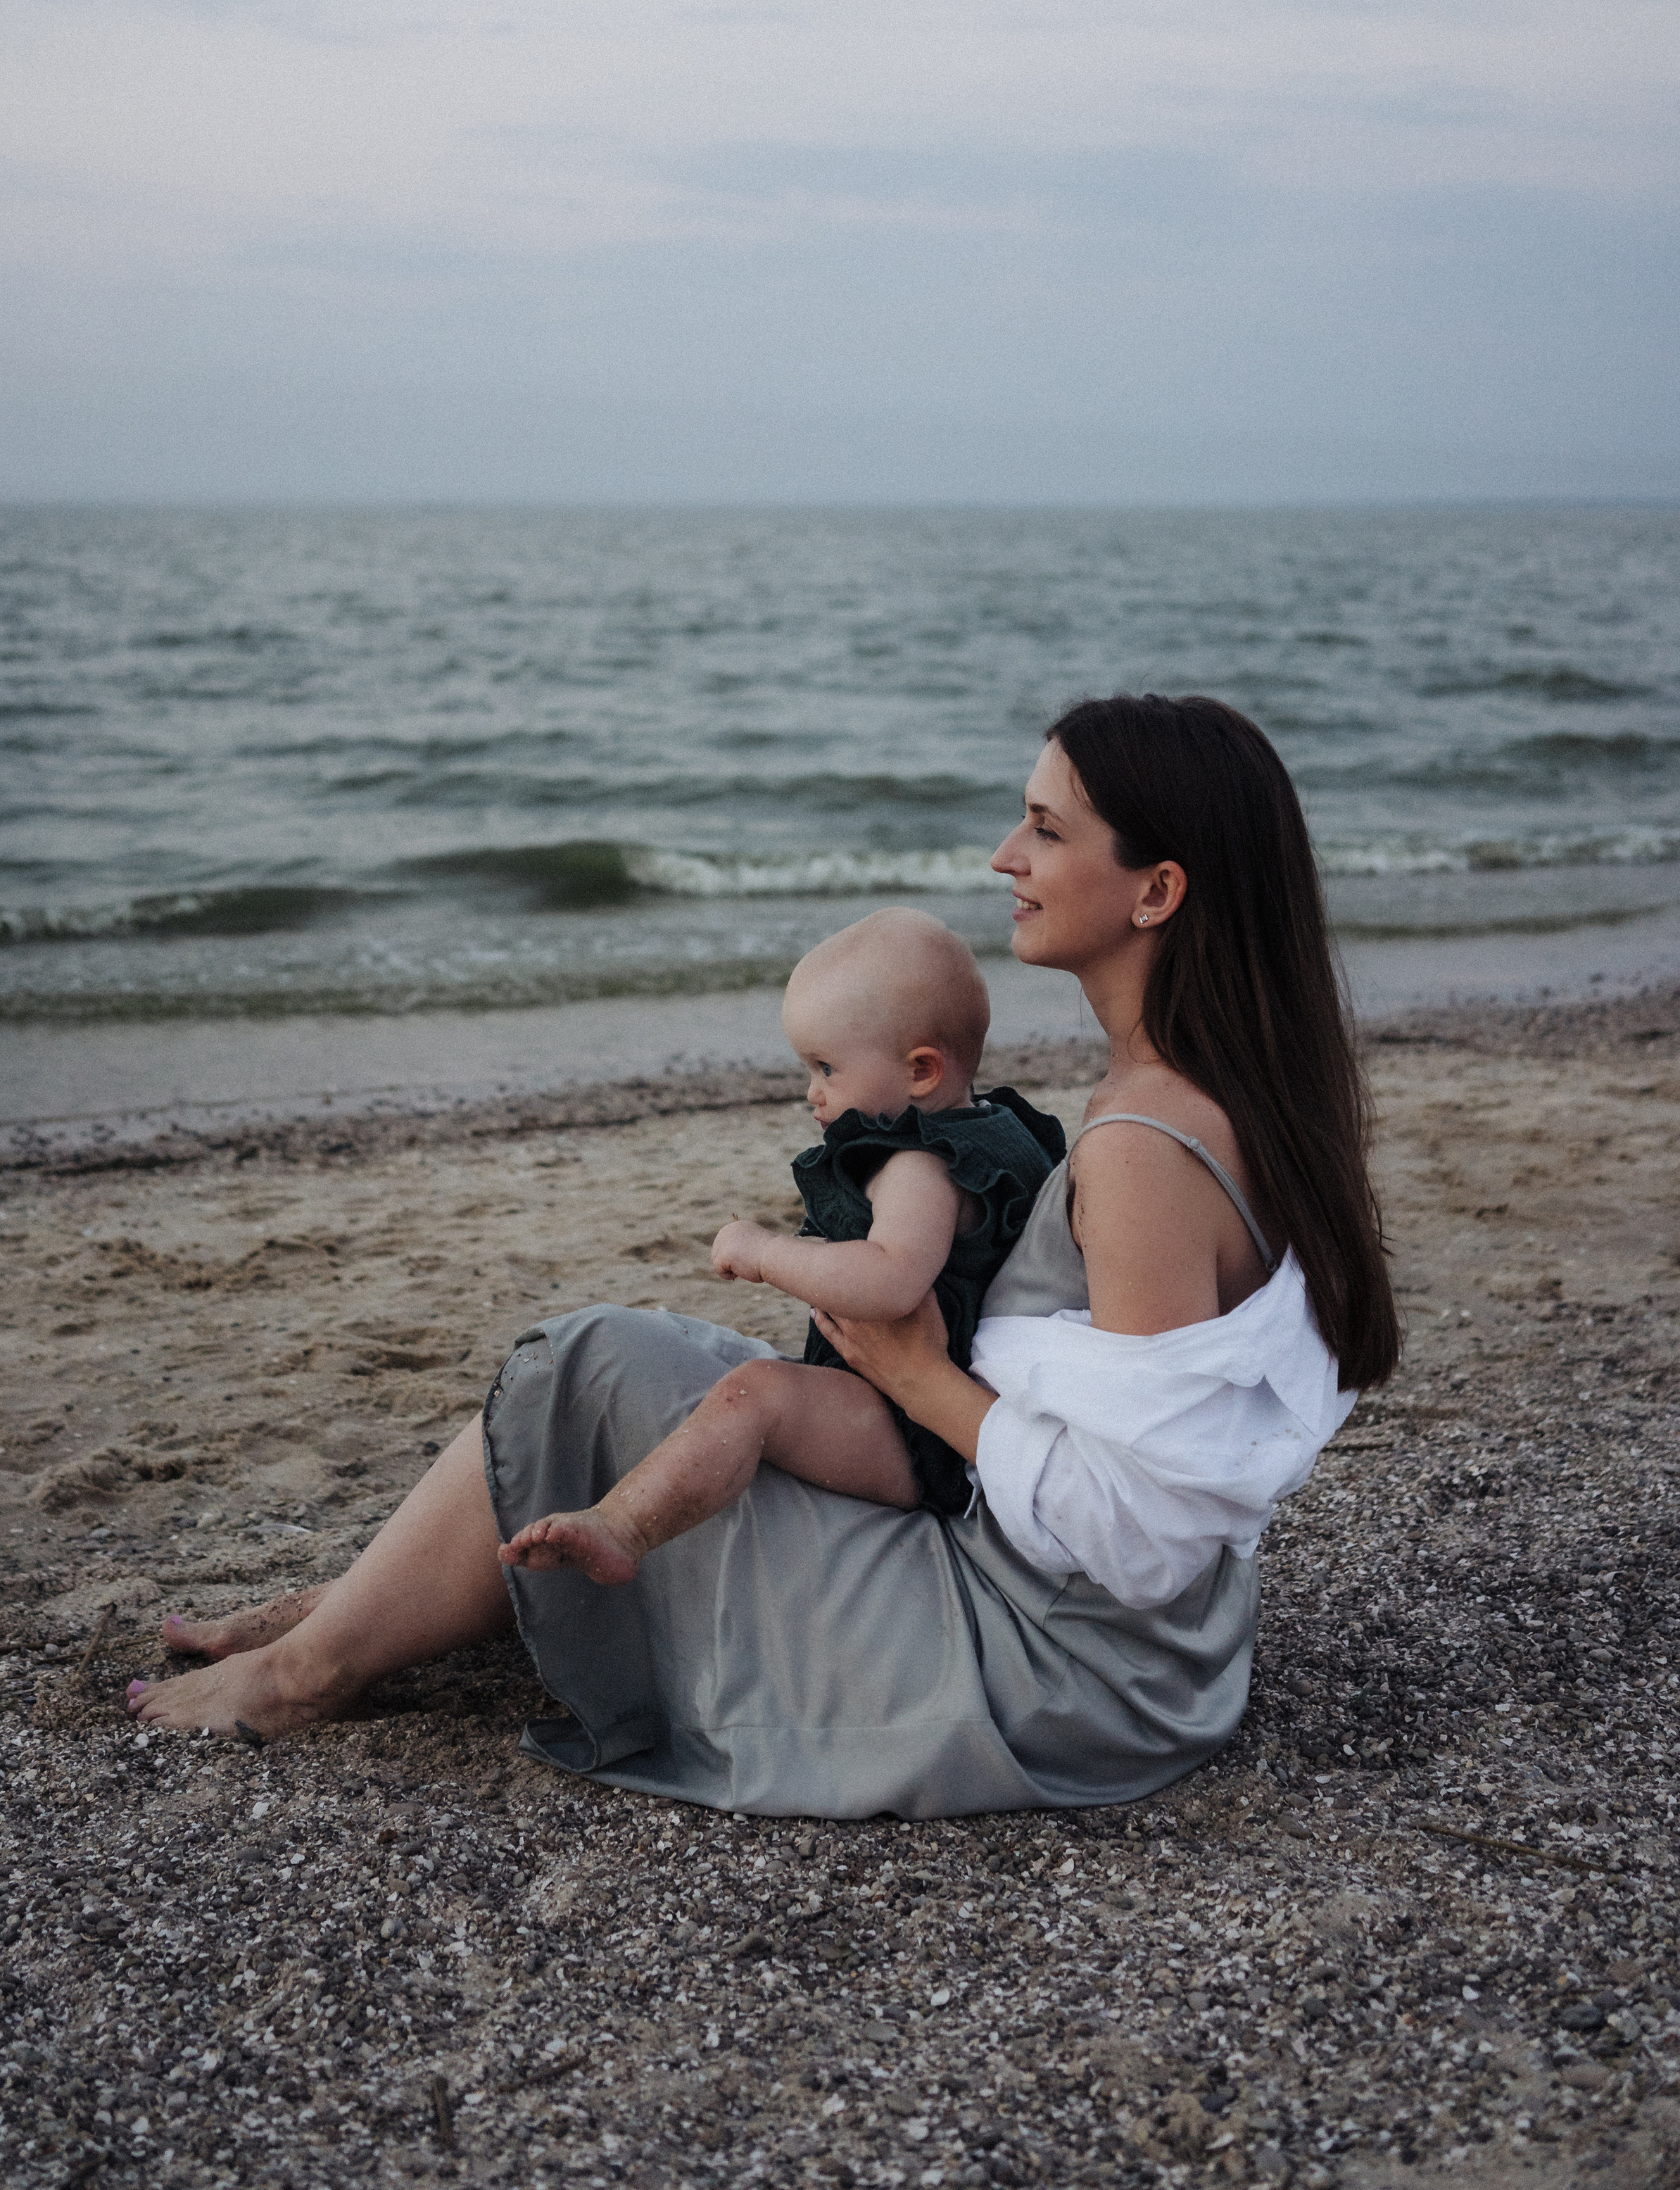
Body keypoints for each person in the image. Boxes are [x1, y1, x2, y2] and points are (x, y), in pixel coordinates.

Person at [129, 693, 1398, 1823]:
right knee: (632, 1361)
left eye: (1048, 830)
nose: (1005, 858)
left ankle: (307, 1673)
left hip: (1058, 1672)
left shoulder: (1141, 1149)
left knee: (591, 1367)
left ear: (1157, 891)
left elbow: (1139, 1535)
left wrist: (913, 1380)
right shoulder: (1218, 1094)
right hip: (1128, 1641)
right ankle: (344, 1616)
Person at [496, 907, 1063, 1583]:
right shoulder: (997, 1128)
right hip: (951, 1410)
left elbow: (890, 1280)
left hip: (920, 1431)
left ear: (920, 1071)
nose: (812, 1092)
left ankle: (623, 1527)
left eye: (827, 1068)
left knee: (754, 1395)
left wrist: (766, 1253)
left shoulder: (920, 1166)